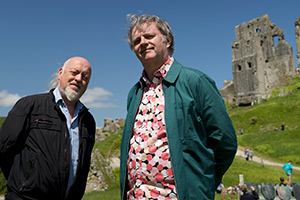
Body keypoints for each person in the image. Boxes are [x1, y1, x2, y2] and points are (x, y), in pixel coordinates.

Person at [120, 14, 237, 200]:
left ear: (167, 40)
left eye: (149, 36)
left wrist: (202, 184)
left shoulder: (196, 82)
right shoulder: (134, 93)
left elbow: (225, 142)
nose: (142, 43)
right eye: (137, 41)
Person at [0, 57, 96, 200]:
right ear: (60, 73)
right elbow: (4, 149)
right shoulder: (30, 105)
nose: (78, 78)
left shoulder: (88, 121)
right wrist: (23, 184)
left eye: (85, 77)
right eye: (74, 72)